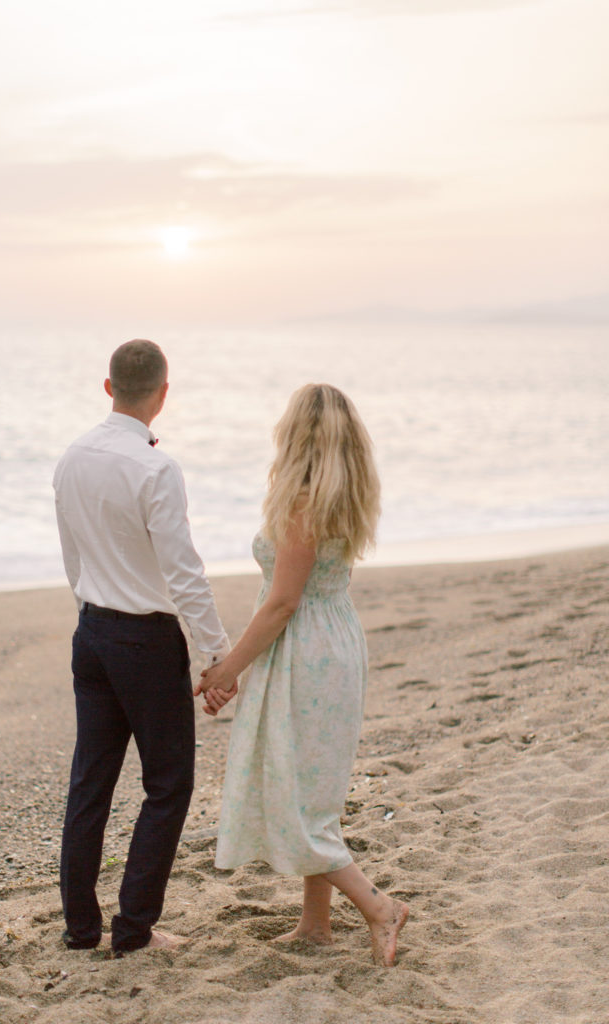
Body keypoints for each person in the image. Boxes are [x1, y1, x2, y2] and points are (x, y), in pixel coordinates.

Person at [196, 383, 409, 967]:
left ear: (296, 436)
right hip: (333, 638)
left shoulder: (304, 502)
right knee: (316, 790)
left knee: (296, 794)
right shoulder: (345, 495)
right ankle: (316, 925)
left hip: (304, 651)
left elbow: (282, 602)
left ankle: (379, 907)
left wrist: (226, 669)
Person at [53, 339, 229, 955]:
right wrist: (217, 655)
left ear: (108, 387)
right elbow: (184, 573)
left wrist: (89, 617)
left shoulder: (72, 456)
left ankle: (80, 930)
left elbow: (72, 553)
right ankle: (132, 932)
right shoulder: (157, 468)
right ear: (163, 392)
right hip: (145, 641)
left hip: (92, 632)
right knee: (168, 784)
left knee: (90, 783)